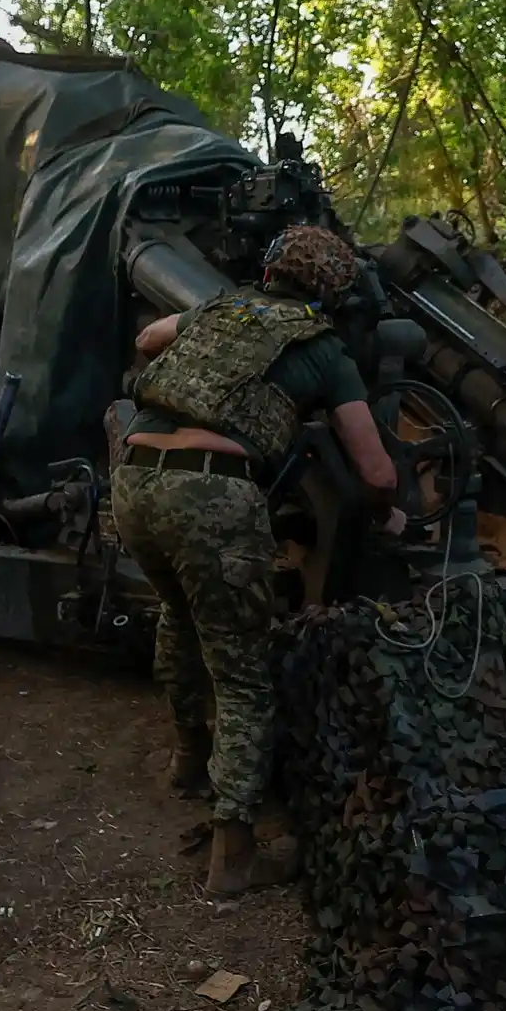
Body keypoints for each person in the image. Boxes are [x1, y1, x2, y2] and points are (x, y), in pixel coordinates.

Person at [112, 225, 402, 896]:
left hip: (134, 480)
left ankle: (187, 760)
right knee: (242, 674)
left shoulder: (222, 308)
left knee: (178, 619)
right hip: (209, 494)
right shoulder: (324, 349)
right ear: (332, 292)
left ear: (269, 270)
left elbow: (149, 340)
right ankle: (235, 852)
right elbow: (375, 466)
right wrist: (389, 507)